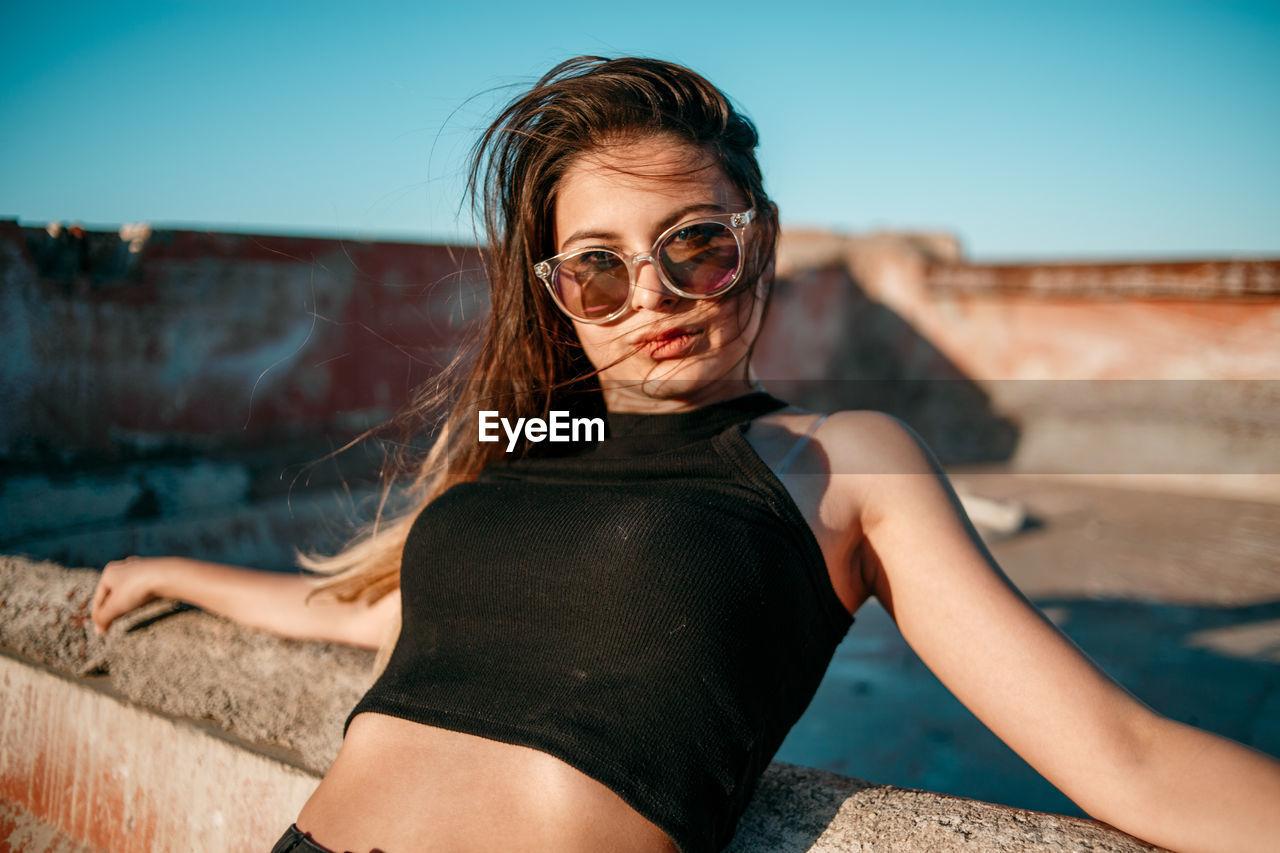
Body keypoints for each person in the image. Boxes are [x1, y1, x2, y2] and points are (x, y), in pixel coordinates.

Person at [90, 56, 1280, 853]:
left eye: (693, 244)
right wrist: (173, 574)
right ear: (557, 294)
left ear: (752, 244)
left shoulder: (836, 460)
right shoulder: (529, 434)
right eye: (596, 267)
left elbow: (1119, 752)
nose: (649, 293)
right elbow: (380, 615)